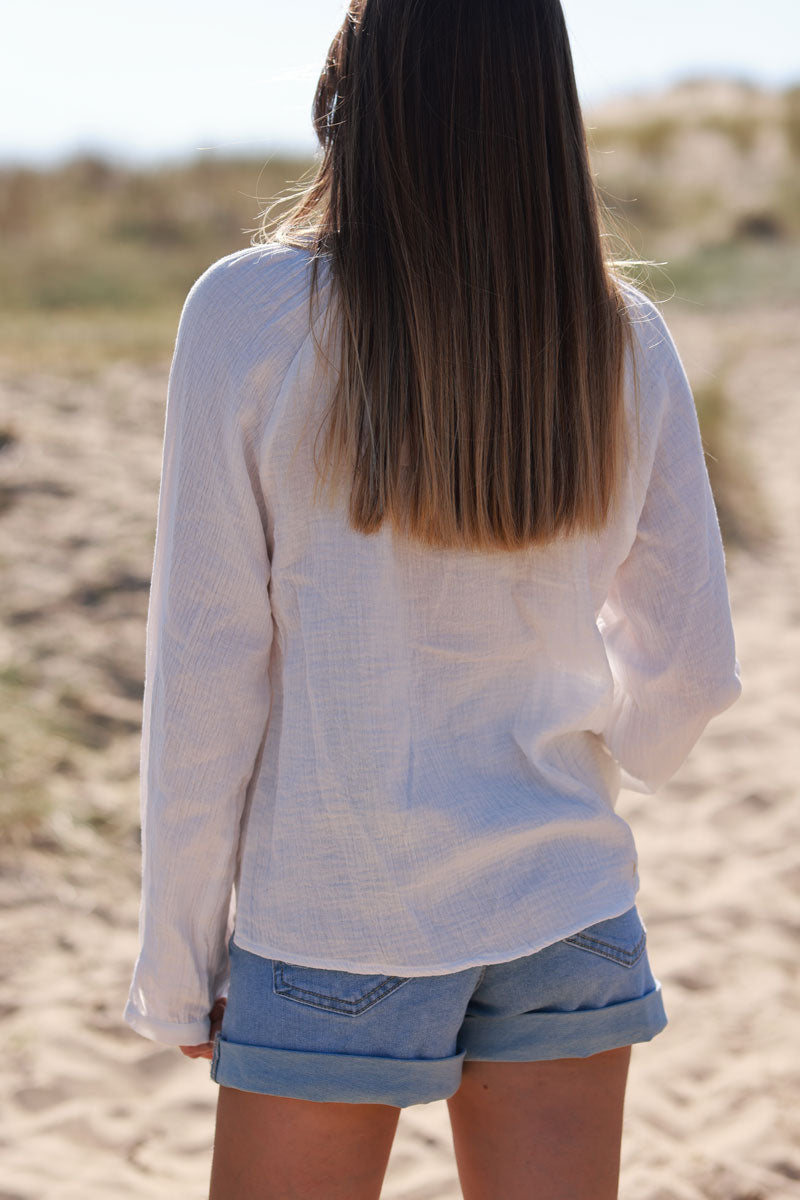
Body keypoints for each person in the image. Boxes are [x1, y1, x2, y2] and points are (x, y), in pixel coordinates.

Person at [123, 1, 742, 1196]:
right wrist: (579, 755)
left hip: (333, 916)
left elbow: (207, 673)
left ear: (358, 94)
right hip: (567, 903)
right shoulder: (621, 338)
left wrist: (179, 953)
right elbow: (693, 670)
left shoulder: (249, 317)